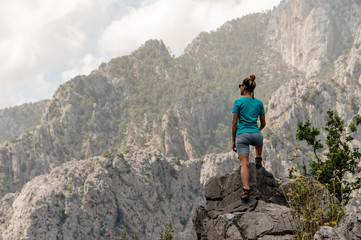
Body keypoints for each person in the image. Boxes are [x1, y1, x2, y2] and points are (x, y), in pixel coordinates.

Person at [231, 74, 266, 201]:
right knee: (259, 139)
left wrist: (234, 140)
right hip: (256, 136)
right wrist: (257, 130)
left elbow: (234, 123)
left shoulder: (238, 102)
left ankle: (246, 190)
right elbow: (263, 123)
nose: (239, 88)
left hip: (242, 136)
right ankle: (258, 157)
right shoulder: (259, 103)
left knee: (244, 164)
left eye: (240, 86)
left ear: (244, 87)